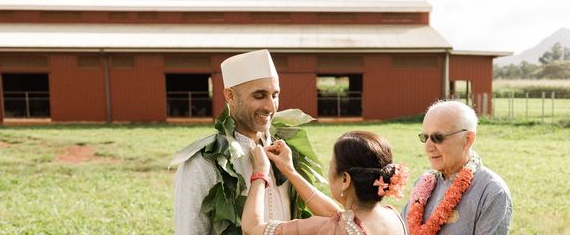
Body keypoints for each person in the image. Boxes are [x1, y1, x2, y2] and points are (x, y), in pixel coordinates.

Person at [172, 49, 292, 234]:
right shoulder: (203, 163)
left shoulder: (284, 153)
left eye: (275, 95)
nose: (270, 106)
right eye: (259, 95)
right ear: (230, 96)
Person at [241, 130, 410, 235]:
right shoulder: (393, 216)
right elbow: (337, 215)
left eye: (331, 164)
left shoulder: (325, 229)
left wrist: (260, 172)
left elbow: (252, 228)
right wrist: (290, 171)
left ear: (345, 180)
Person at [403, 100, 512, 234]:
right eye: (425, 137)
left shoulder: (492, 191)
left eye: (437, 137)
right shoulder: (422, 183)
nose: (428, 147)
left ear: (467, 140)